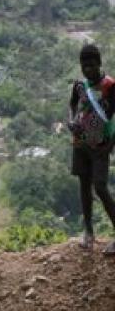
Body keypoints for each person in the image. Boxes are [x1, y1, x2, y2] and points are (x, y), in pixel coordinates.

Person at [68, 44, 115, 253]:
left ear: (99, 63)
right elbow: (72, 105)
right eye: (84, 65)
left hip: (101, 146)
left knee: (100, 187)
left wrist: (110, 146)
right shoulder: (79, 85)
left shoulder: (110, 86)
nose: (88, 69)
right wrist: (72, 122)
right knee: (84, 186)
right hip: (80, 143)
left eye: (91, 65)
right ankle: (88, 232)